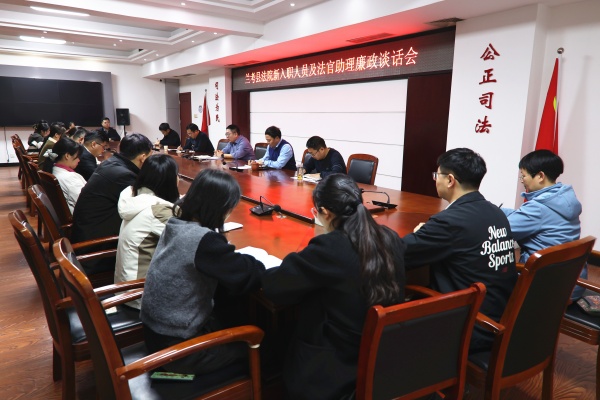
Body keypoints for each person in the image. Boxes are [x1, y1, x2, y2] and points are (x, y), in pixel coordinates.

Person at [261, 174, 406, 400]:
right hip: (386, 359)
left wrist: (319, 240)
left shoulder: (331, 247)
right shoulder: (391, 237)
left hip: (337, 369)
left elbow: (274, 287)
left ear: (325, 213)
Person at [140, 169, 266, 374]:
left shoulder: (175, 224)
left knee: (230, 305)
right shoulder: (203, 240)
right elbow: (248, 274)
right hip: (179, 351)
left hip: (155, 334)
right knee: (264, 344)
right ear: (219, 208)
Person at [403, 148, 517, 353]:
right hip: (500, 315)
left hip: (472, 325)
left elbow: (402, 252)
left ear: (450, 180)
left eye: (437, 175)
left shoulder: (451, 221)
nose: (435, 179)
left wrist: (422, 234)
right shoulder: (496, 212)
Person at [501, 149, 585, 300]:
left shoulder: (538, 208)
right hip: (570, 282)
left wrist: (484, 214)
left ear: (540, 176)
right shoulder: (562, 198)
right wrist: (495, 210)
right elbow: (524, 216)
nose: (522, 180)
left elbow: (501, 229)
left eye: (523, 176)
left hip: (546, 288)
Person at [115, 154, 179, 309]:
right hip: (140, 294)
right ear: (169, 181)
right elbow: (190, 239)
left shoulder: (133, 197)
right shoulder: (159, 211)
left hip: (124, 286)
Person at [72, 133, 153, 245]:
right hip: (95, 244)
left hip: (86, 230)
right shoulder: (123, 175)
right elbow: (144, 204)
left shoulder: (112, 163)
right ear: (143, 158)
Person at [41, 137, 86, 214]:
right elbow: (86, 202)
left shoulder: (52, 169)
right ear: (67, 156)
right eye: (77, 156)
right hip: (79, 217)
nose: (79, 160)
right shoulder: (70, 178)